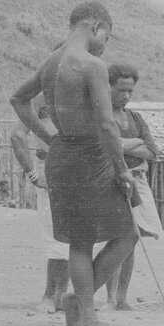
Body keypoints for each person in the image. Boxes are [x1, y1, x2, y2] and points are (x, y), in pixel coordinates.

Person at [9, 1, 138, 326]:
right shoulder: (92, 64)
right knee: (127, 234)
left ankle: (81, 309)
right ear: (96, 27)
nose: (104, 44)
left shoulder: (50, 62)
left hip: (63, 154)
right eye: (106, 37)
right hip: (91, 156)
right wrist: (122, 169)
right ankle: (86, 314)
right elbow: (108, 125)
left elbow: (18, 100)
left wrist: (49, 135)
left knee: (80, 243)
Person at [11, 92, 102, 314]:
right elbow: (17, 135)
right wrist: (32, 174)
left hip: (85, 169)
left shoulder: (90, 93)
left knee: (80, 235)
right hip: (53, 166)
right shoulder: (43, 98)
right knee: (56, 232)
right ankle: (50, 295)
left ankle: (64, 294)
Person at [103, 63, 163, 311]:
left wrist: (121, 143)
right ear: (107, 87)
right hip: (112, 180)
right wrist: (132, 143)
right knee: (117, 237)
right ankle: (109, 298)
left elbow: (151, 151)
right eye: (121, 90)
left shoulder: (135, 118)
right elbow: (105, 144)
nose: (126, 96)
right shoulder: (102, 116)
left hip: (138, 179)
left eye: (130, 91)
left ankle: (122, 298)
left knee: (133, 238)